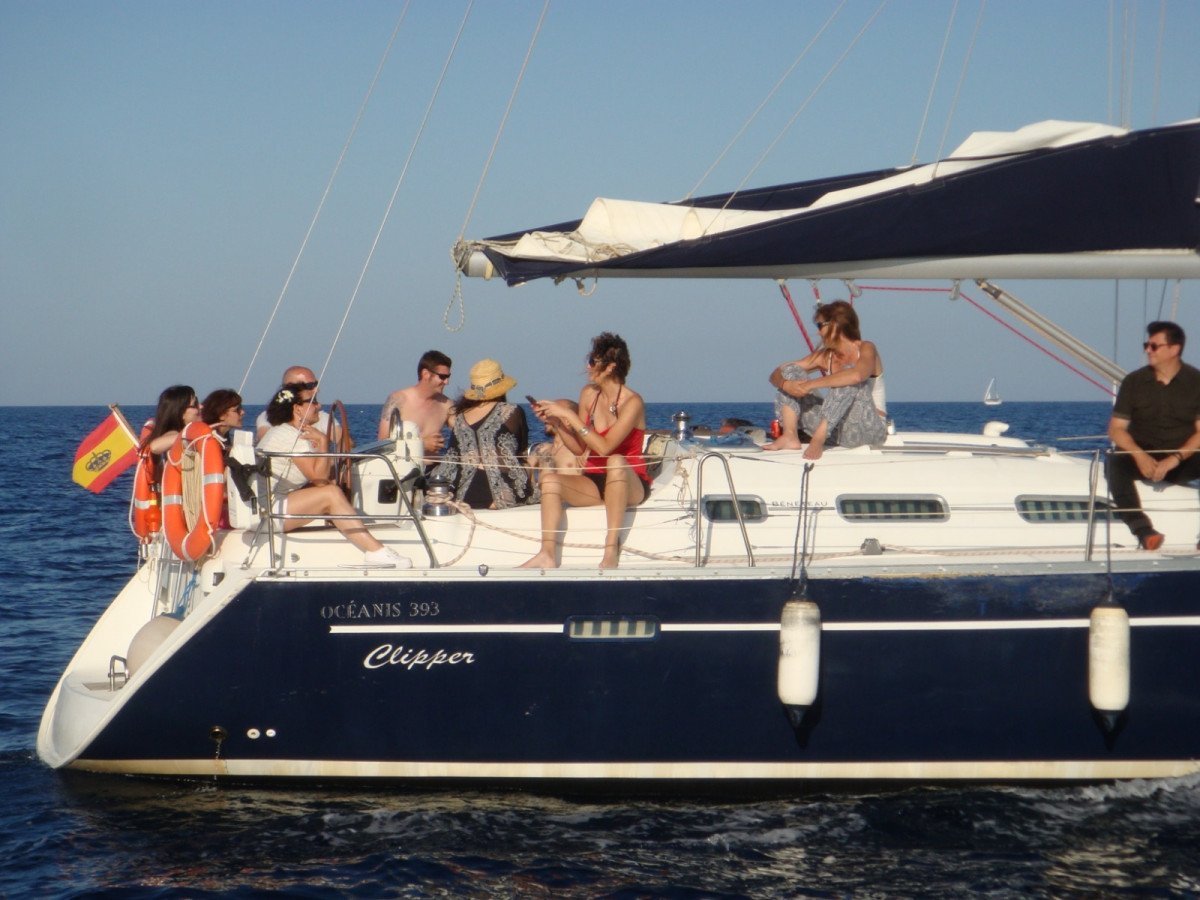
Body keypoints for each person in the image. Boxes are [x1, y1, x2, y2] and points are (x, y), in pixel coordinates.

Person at [521, 332, 651, 570]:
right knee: (549, 480)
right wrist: (558, 424)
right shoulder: (588, 394)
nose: (587, 366)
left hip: (629, 480)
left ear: (610, 366)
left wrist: (568, 414)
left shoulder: (633, 402)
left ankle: (611, 549)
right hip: (594, 481)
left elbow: (605, 447)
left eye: (593, 361)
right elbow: (580, 446)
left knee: (616, 461)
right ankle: (547, 554)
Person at [259, 388, 411, 567]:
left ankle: (362, 538)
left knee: (332, 490)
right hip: (268, 511)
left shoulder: (286, 433)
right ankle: (376, 551)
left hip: (270, 504)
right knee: (331, 493)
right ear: (297, 409)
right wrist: (324, 442)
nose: (319, 406)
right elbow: (320, 479)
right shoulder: (289, 437)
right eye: (313, 401)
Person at [1107, 321, 1200, 550]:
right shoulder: (1134, 382)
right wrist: (1139, 456)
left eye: (1154, 346)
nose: (1147, 350)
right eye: (1146, 345)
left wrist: (1173, 460)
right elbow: (1116, 428)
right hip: (1143, 456)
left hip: (1182, 459)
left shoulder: (1196, 382)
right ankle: (1144, 531)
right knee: (1115, 462)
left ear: (1174, 349)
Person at [763, 300, 887, 459]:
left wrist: (809, 385)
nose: (818, 332)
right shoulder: (825, 356)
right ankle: (789, 436)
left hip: (869, 430)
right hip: (836, 429)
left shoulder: (866, 348)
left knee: (847, 376)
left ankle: (818, 438)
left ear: (835, 324)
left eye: (820, 325)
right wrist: (786, 384)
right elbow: (777, 373)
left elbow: (857, 375)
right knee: (791, 371)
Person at [429, 359, 533, 509]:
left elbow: (453, 458)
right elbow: (521, 452)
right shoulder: (511, 410)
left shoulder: (460, 417)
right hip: (502, 493)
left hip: (465, 493)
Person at [376, 350, 454, 461]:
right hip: (403, 472)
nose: (447, 382)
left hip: (434, 472)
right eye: (442, 377)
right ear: (426, 374)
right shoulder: (398, 399)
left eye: (448, 377)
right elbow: (382, 442)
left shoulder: (447, 405)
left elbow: (463, 432)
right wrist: (421, 444)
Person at [255, 365, 335, 441]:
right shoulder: (267, 417)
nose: (317, 390)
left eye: (316, 384)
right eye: (310, 386)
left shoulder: (321, 417)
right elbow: (266, 443)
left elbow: (342, 443)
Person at [528, 399, 586, 484]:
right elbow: (524, 471)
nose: (546, 416)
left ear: (568, 420)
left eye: (552, 412)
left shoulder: (580, 453)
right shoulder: (541, 449)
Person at [141, 385, 201, 457]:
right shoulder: (173, 433)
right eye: (195, 404)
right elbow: (155, 446)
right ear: (180, 413)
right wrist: (195, 435)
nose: (200, 406)